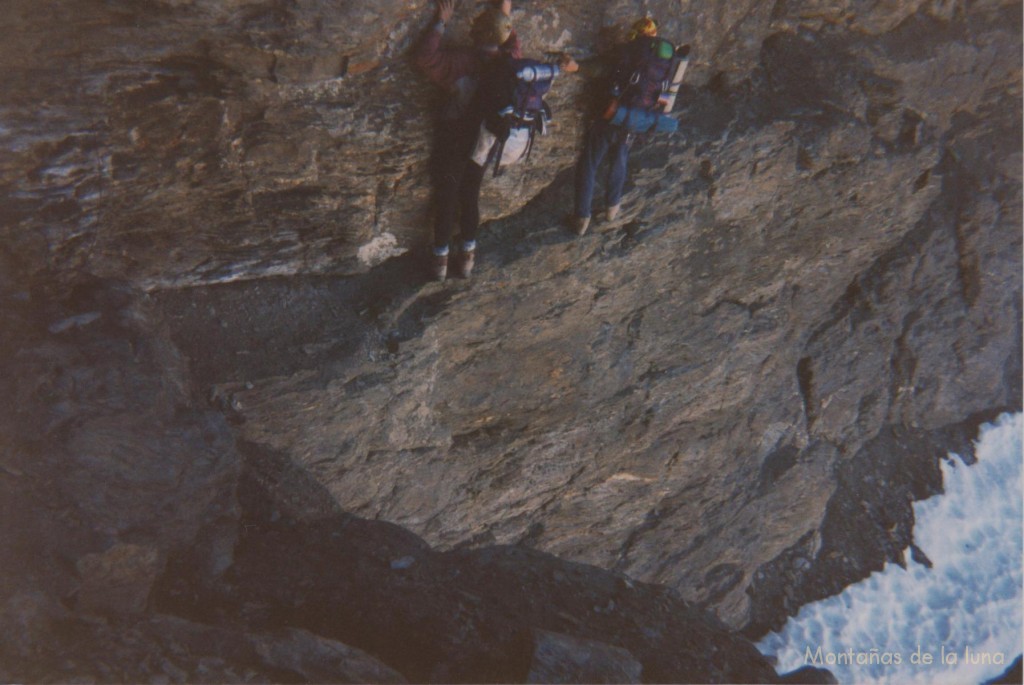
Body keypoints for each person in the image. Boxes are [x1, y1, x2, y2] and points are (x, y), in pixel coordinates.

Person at [416, 0, 577, 281]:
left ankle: (440, 261)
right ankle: (467, 259)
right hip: (484, 143)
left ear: (475, 34)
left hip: (455, 139)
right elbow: (509, 35)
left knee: (447, 197)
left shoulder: (461, 64)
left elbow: (425, 57)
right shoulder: (511, 63)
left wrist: (441, 21)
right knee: (470, 197)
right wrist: (503, 12)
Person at [571, 17, 683, 236]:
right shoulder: (665, 60)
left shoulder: (629, 51)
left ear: (637, 33)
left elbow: (602, 69)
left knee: (590, 163)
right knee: (620, 158)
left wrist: (576, 67)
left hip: (612, 116)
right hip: (636, 119)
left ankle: (582, 217)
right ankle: (612, 208)